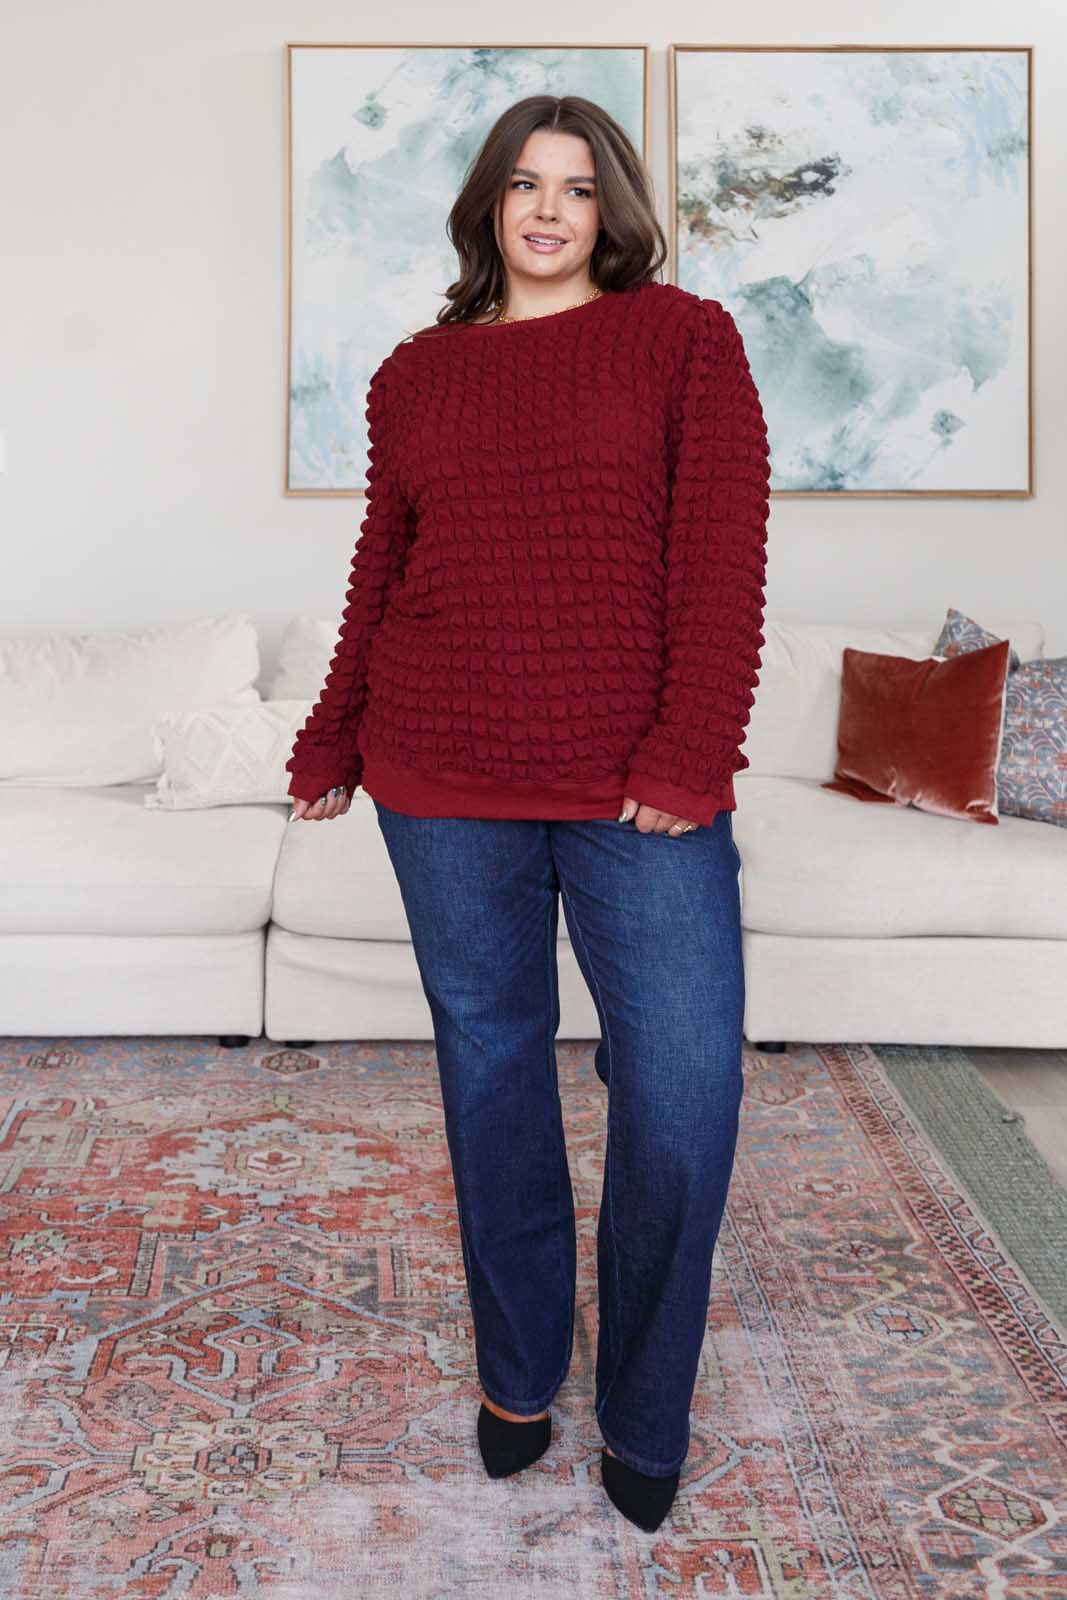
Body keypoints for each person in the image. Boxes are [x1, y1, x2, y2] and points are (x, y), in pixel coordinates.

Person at [286, 93, 771, 1533]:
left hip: (638, 787)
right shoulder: (417, 373)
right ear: (488, 206)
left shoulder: (686, 340)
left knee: (683, 1090)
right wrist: (333, 730)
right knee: (492, 1076)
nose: (549, 209)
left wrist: (691, 751)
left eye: (577, 186)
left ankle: (645, 1407)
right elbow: (384, 563)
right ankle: (518, 1376)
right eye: (523, 184)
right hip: (439, 770)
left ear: (612, 209)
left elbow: (722, 557)